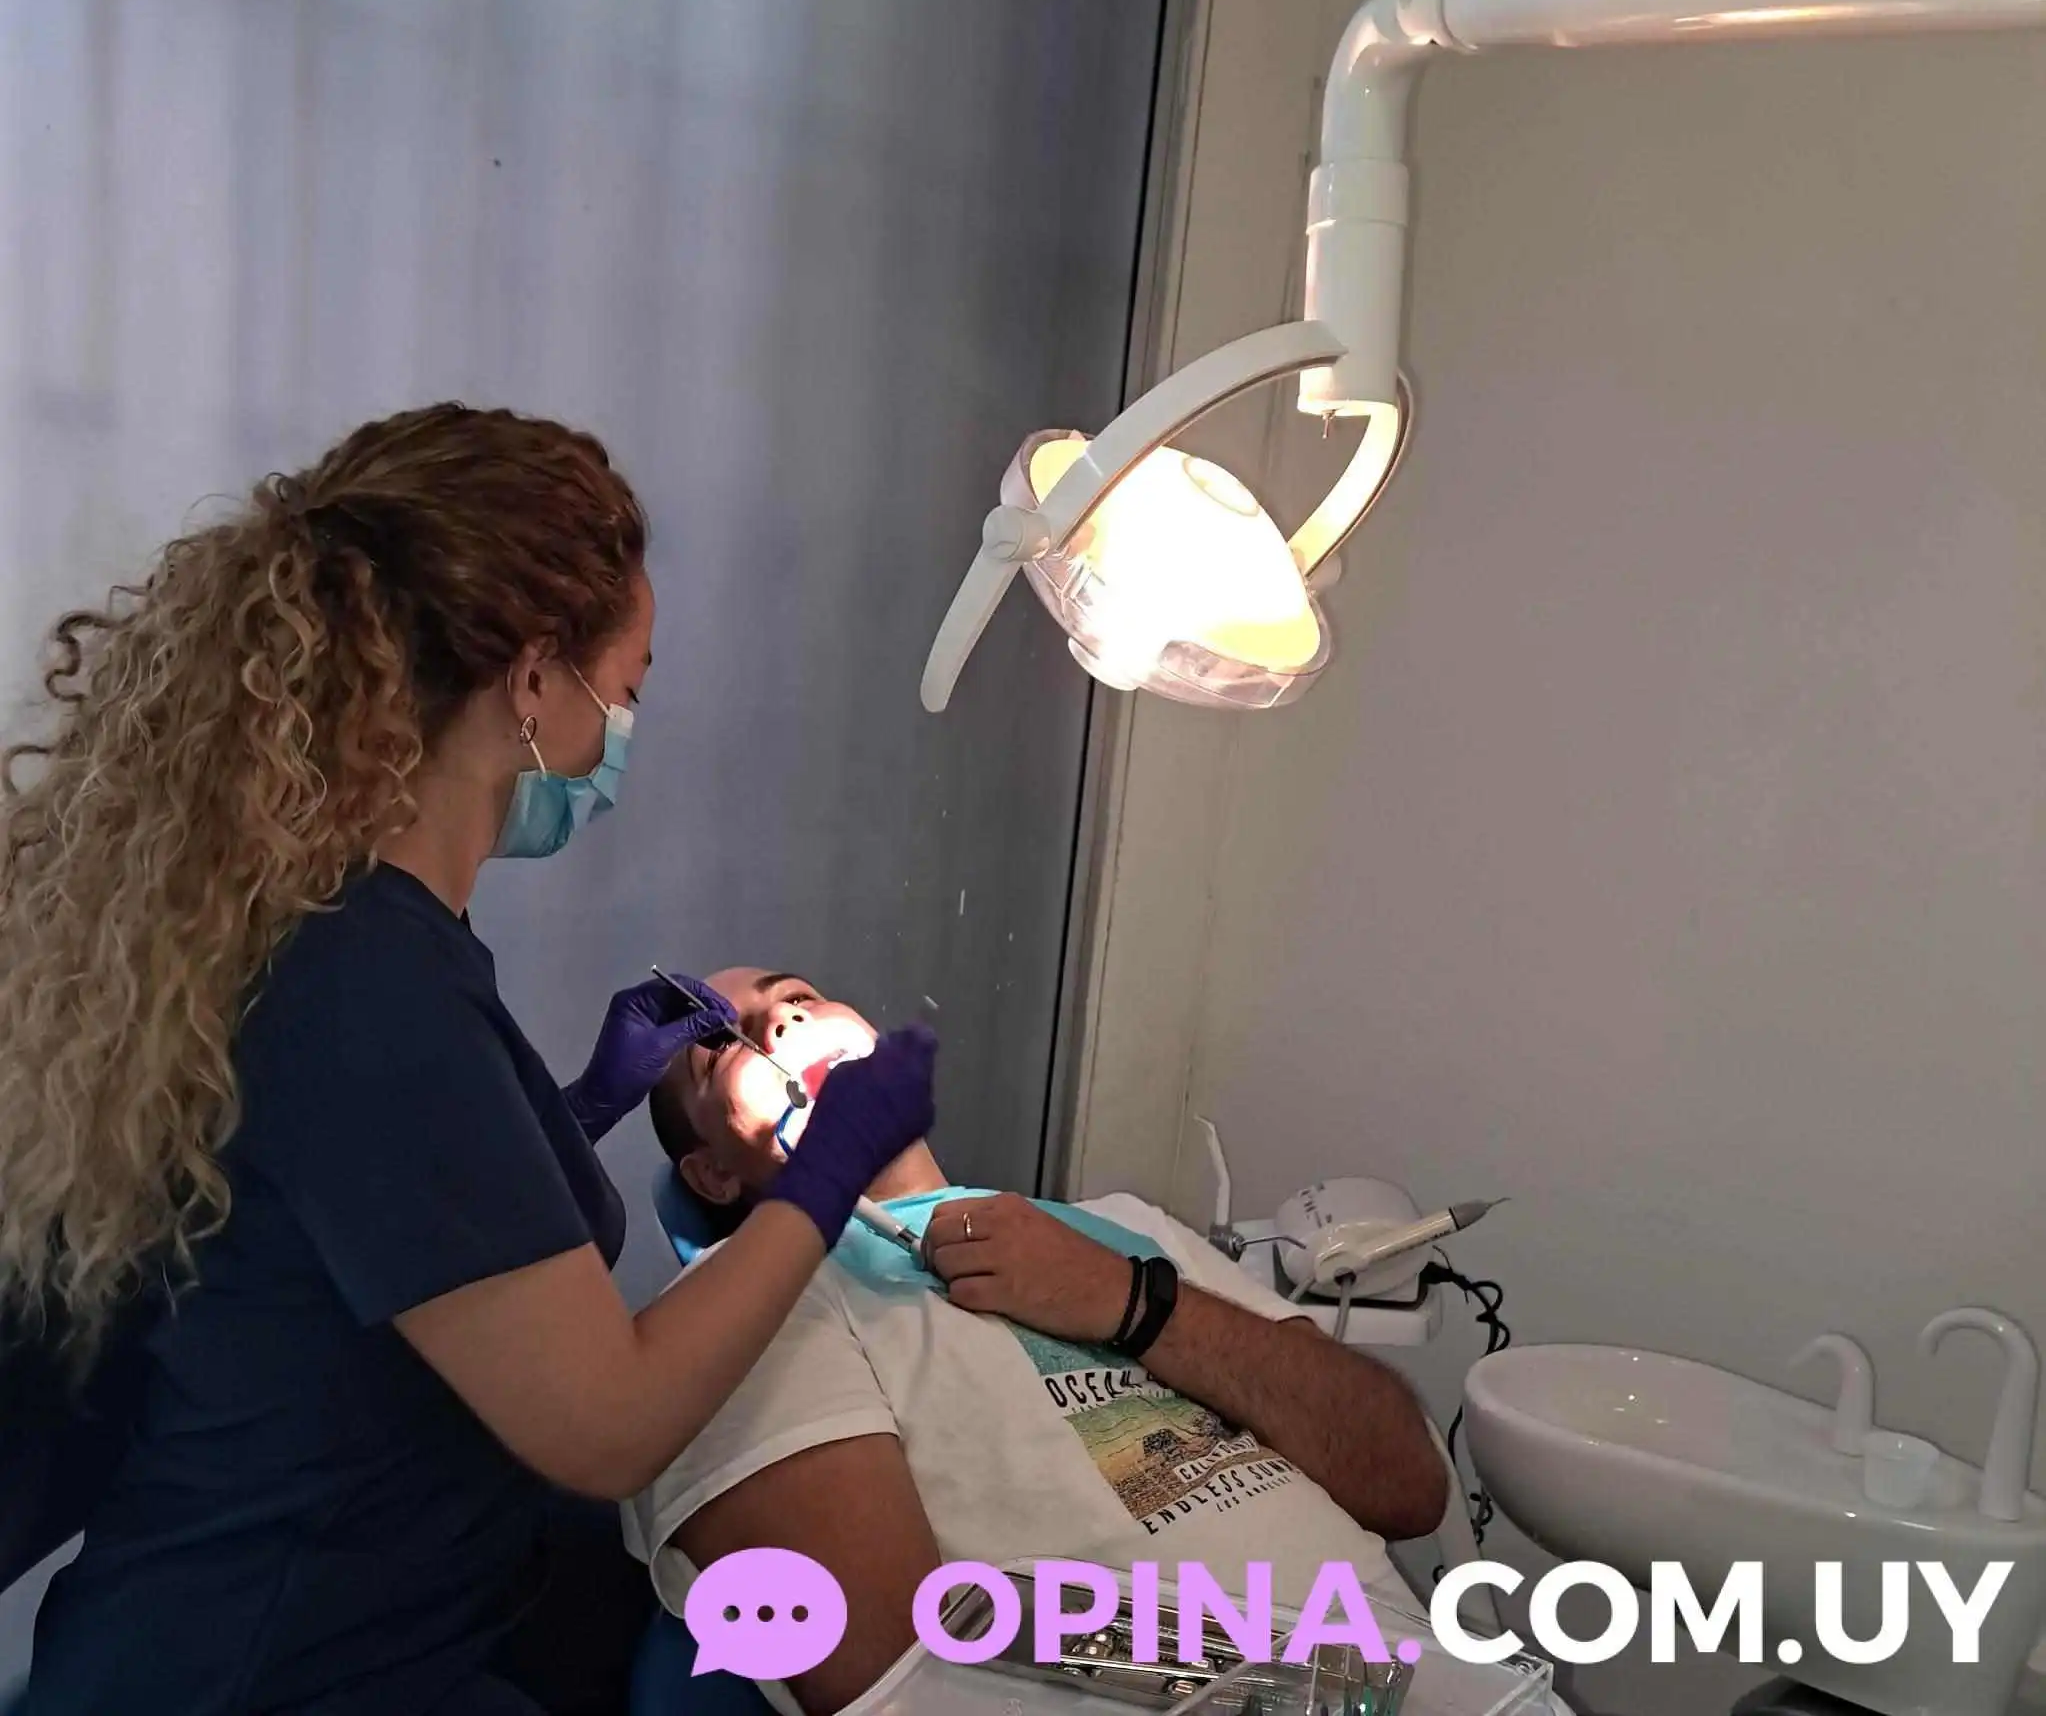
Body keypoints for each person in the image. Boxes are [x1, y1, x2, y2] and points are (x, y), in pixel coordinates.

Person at [0, 407, 936, 1716]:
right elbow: (606, 1422)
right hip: (259, 1670)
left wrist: (584, 1104)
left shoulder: (346, 939)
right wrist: (830, 1167)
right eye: (627, 688)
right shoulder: (369, 983)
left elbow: (391, 1230)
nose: (622, 726)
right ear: (532, 681)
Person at [627, 967, 1451, 1716]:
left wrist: (1131, 1300)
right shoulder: (744, 1316)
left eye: (798, 995)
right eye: (720, 1045)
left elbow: (1409, 1483)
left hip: (1445, 1683)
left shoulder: (1129, 1227)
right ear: (712, 1175)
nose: (782, 1022)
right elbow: (902, 1688)